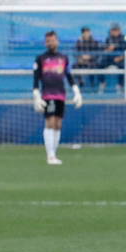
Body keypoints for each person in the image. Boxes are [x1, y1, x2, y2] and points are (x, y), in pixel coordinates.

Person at [32, 30, 82, 164]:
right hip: (48, 95)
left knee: (58, 124)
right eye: (48, 40)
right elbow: (36, 78)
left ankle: (54, 153)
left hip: (61, 95)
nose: (51, 42)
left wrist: (76, 91)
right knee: (50, 122)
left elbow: (69, 76)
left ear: (57, 41)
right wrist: (36, 95)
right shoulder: (40, 59)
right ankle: (50, 155)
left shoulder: (63, 58)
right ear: (45, 42)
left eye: (52, 40)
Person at [73, 26, 101, 90]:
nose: (86, 34)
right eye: (84, 32)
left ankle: (92, 83)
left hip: (92, 61)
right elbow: (76, 53)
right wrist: (81, 58)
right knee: (74, 66)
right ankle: (80, 82)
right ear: (82, 33)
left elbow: (97, 54)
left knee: (94, 66)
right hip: (82, 61)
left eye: (87, 32)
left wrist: (90, 57)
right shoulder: (79, 42)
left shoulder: (94, 42)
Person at [102, 23, 126, 92]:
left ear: (119, 31)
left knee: (124, 66)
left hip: (119, 60)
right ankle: (102, 83)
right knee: (99, 64)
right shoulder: (108, 40)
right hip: (109, 60)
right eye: (113, 30)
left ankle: (120, 85)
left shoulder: (123, 41)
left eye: (116, 30)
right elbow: (104, 52)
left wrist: (120, 58)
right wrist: (108, 50)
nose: (114, 32)